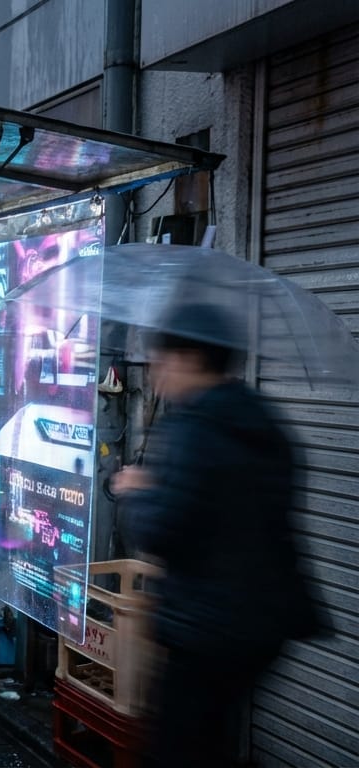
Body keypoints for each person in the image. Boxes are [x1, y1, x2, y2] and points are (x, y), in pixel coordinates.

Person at [112, 303, 321, 768]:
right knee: (211, 739)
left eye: (162, 362)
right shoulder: (262, 420)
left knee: (180, 750)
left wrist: (135, 492)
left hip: (204, 626)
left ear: (191, 359)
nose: (158, 376)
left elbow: (162, 532)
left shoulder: (194, 428)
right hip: (262, 623)